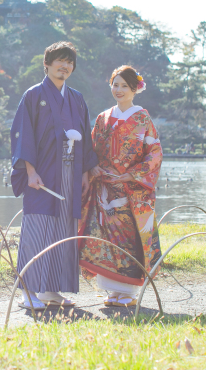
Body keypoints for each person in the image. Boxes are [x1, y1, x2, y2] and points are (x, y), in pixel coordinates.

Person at [10, 41, 98, 309]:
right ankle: (28, 292)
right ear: (46, 64)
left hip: (70, 173)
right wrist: (30, 171)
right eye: (60, 61)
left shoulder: (77, 98)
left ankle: (51, 290)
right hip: (42, 173)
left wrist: (84, 171)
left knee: (63, 229)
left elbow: (85, 136)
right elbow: (22, 134)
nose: (65, 66)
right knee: (37, 229)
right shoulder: (34, 95)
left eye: (69, 62)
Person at [79, 65, 163, 307]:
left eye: (124, 85)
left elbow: (154, 153)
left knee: (128, 238)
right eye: (115, 84)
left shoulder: (142, 117)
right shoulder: (103, 118)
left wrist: (131, 175)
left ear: (135, 88)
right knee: (106, 237)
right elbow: (91, 147)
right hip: (104, 188)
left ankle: (128, 292)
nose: (119, 90)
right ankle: (111, 290)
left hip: (130, 190)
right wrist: (92, 166)